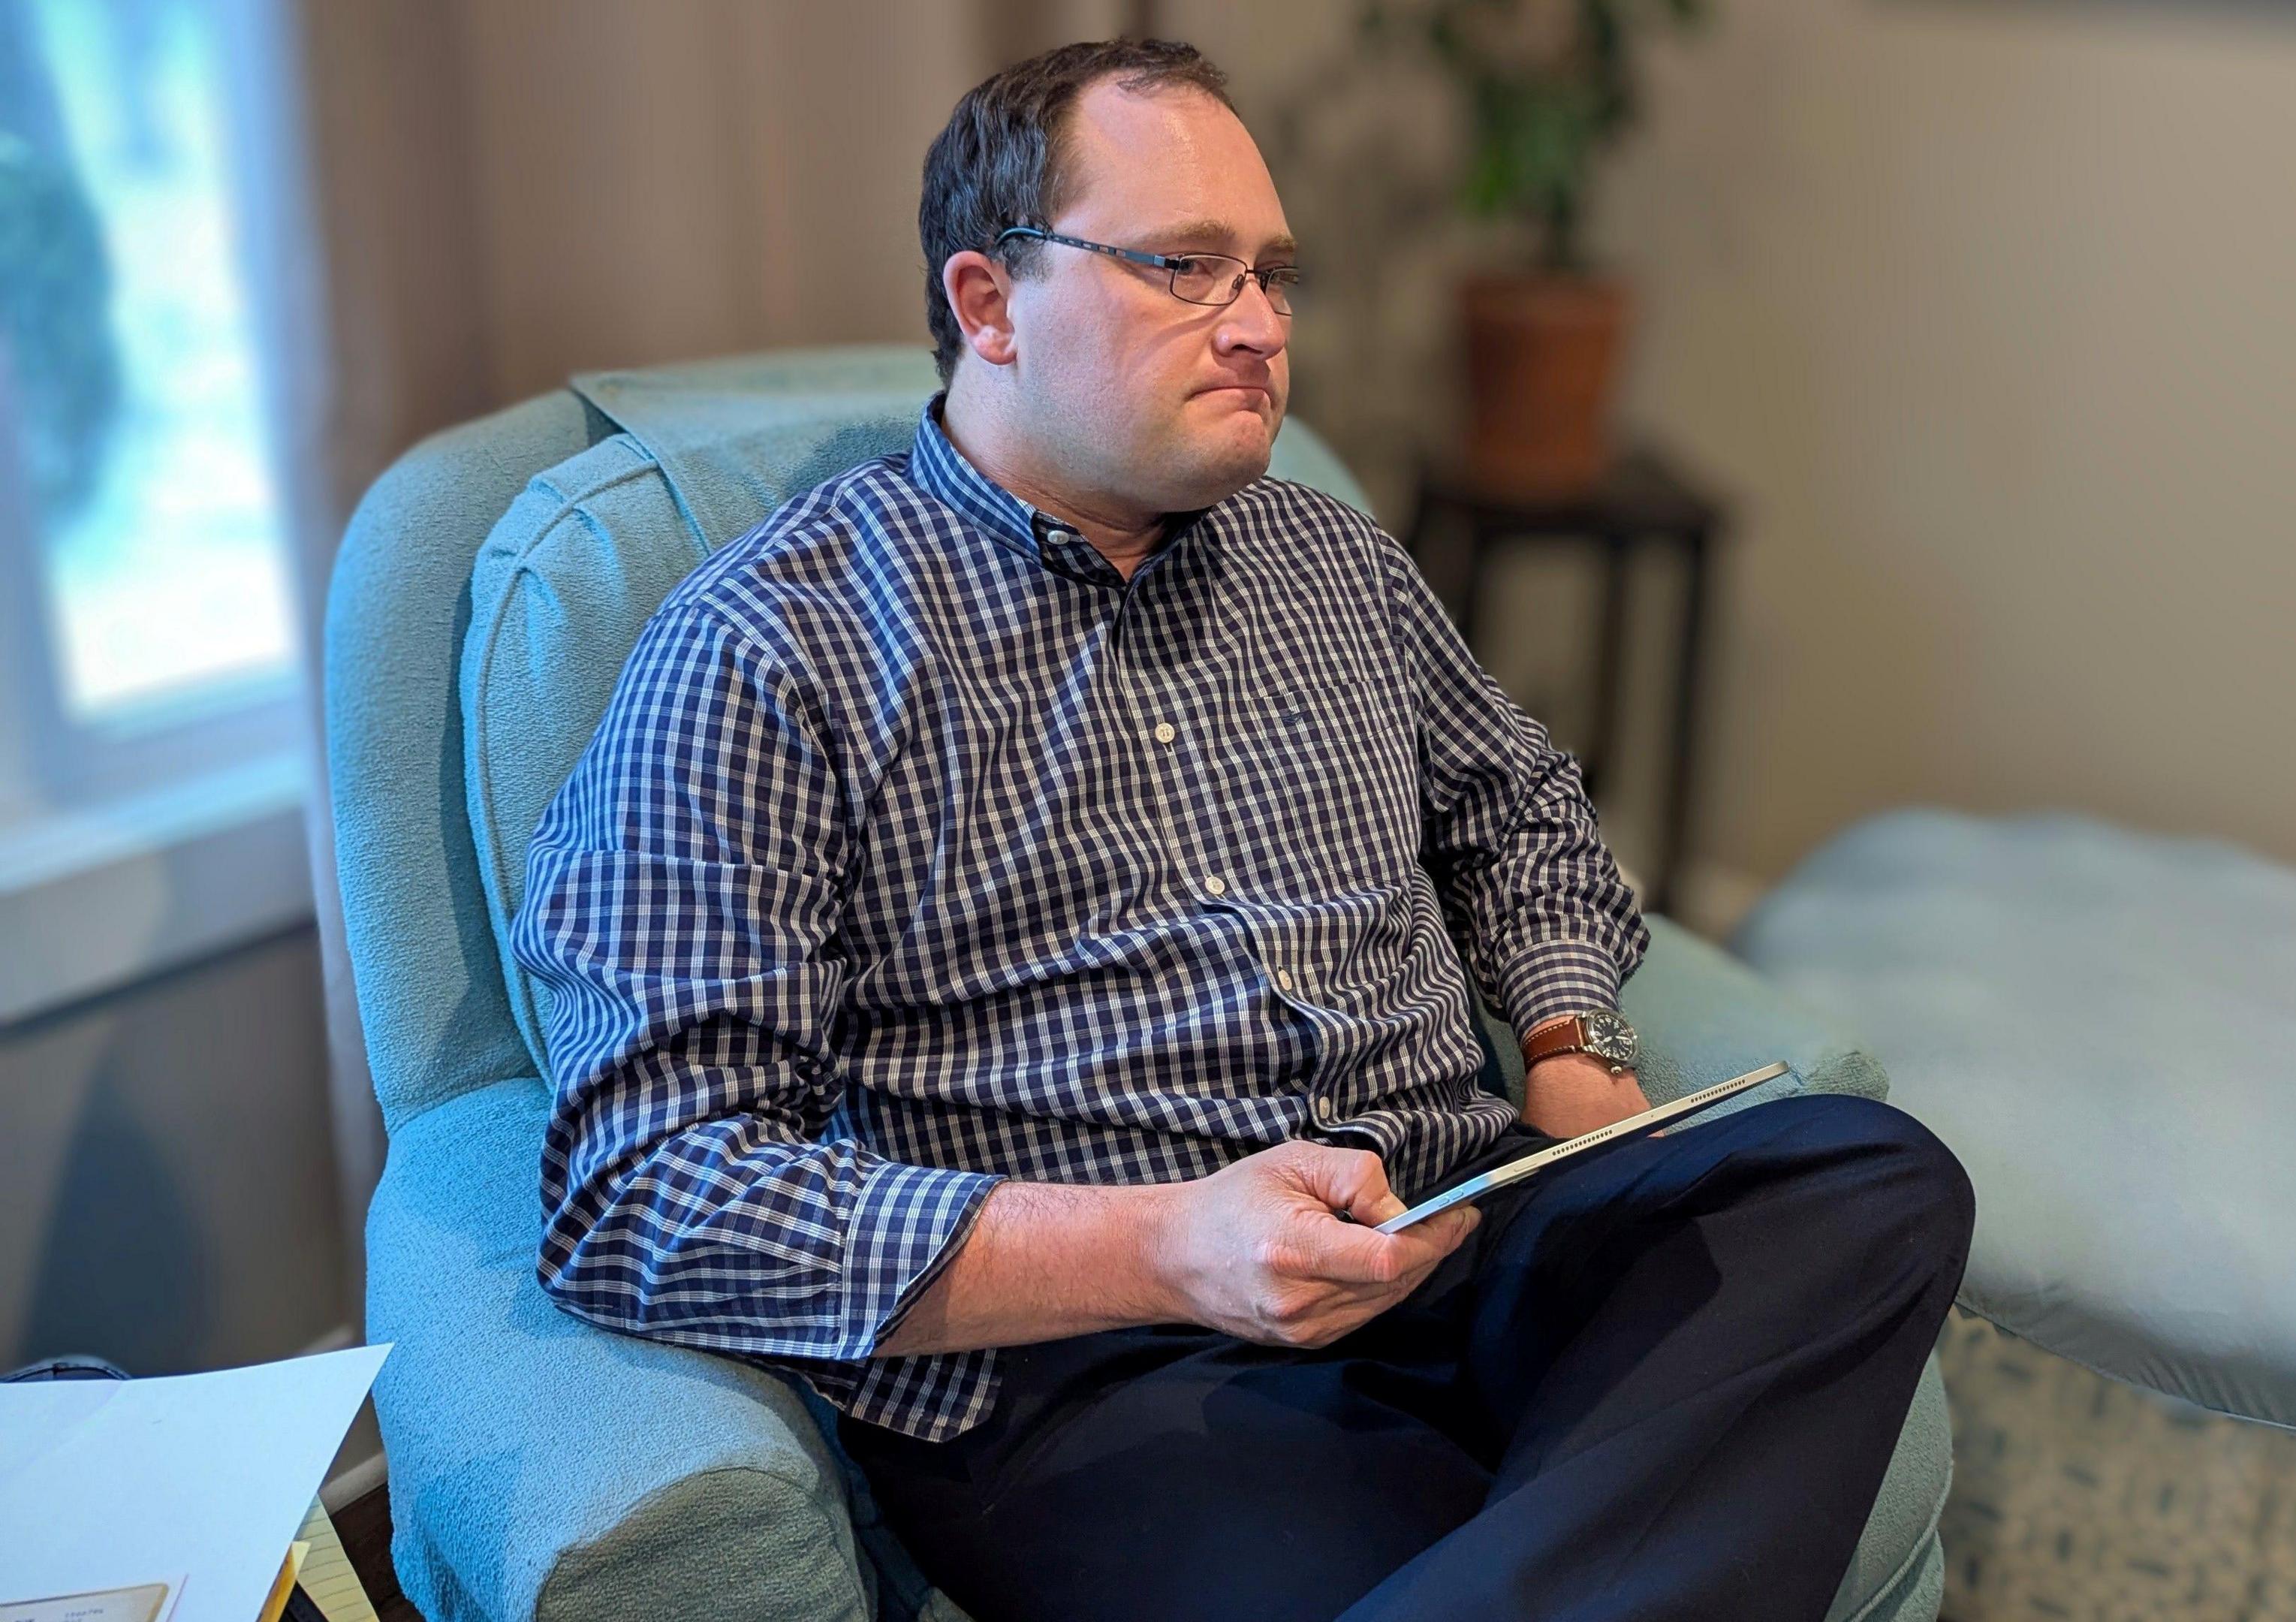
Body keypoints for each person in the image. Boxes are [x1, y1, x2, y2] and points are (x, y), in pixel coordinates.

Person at [518, 37, 1972, 1622]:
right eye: (1186, 269)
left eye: (1273, 275)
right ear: (990, 304)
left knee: (1867, 1177)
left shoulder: (1330, 560)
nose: (1265, 328)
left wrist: (1569, 1045)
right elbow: (647, 1196)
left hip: (1464, 1228)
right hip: (1110, 1376)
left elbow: (1519, 803)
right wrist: (1170, 1246)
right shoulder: (767, 651)